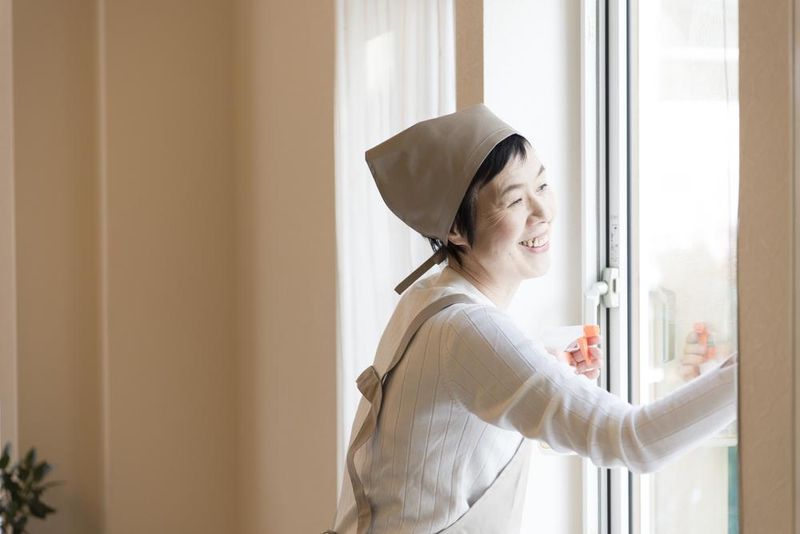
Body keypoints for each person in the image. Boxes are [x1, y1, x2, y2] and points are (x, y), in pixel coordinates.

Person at [324, 104, 737, 534]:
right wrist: (753, 369)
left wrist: (545, 372)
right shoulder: (466, 330)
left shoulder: (428, 298)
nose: (542, 212)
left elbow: (449, 452)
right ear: (456, 231)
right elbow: (632, 441)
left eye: (541, 184)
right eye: (515, 200)